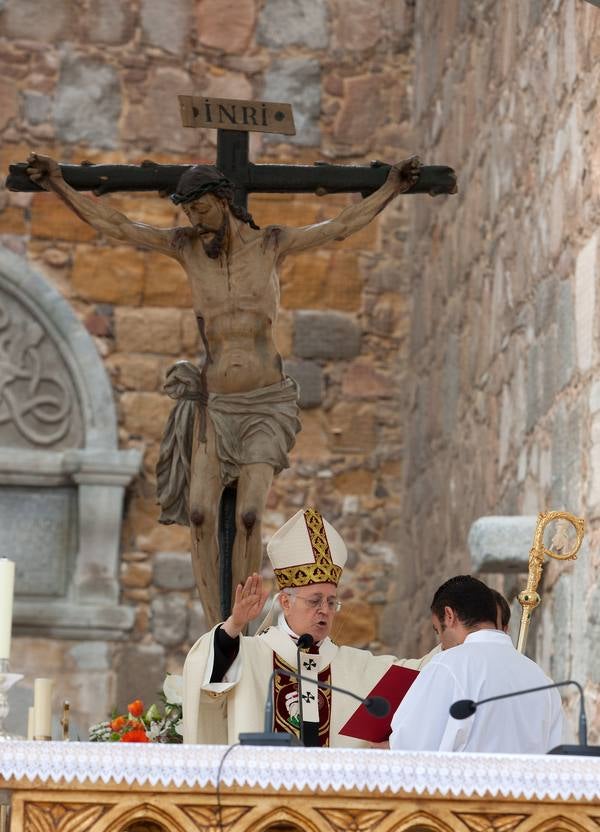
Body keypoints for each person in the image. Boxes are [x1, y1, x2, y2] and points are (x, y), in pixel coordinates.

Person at [25, 152, 422, 623]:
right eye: (188, 211)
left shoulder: (271, 244)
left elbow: (339, 226)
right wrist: (59, 186)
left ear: (223, 199)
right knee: (198, 513)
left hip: (264, 403)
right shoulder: (185, 247)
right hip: (216, 405)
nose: (195, 219)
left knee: (250, 515)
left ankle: (244, 621)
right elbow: (117, 225)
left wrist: (392, 187)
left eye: (202, 208)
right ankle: (220, 628)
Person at [183, 506, 436, 832]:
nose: (324, 611)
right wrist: (233, 625)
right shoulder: (251, 654)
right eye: (315, 600)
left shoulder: (353, 666)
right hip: (265, 825)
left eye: (332, 602)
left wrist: (467, 642)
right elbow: (207, 672)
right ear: (285, 602)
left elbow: (424, 673)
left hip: (334, 827)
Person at [390, 575, 565, 832]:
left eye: (437, 630)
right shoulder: (541, 680)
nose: (440, 641)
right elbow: (557, 767)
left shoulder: (448, 667)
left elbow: (410, 751)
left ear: (450, 616)